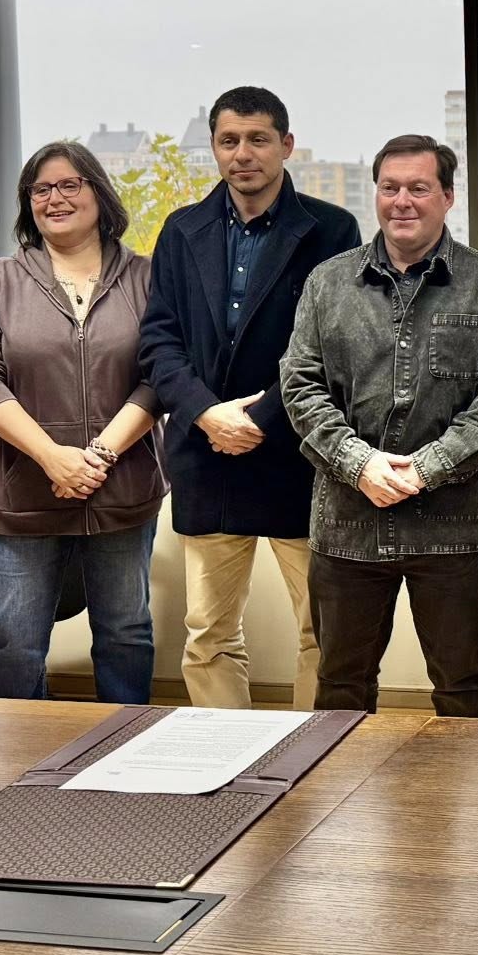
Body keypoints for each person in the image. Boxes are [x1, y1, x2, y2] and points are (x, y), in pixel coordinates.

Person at [279, 134, 478, 717]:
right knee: (340, 687)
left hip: (453, 527)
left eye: (418, 188)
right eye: (390, 188)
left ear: (447, 197)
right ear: (376, 195)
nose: (402, 201)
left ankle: (458, 811)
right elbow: (300, 383)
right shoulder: (328, 283)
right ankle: (335, 808)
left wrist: (427, 468)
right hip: (348, 526)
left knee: (463, 689)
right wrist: (358, 463)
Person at [140, 86, 361, 710]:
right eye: (229, 141)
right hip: (205, 454)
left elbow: (330, 346)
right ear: (214, 148)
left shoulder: (331, 230)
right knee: (208, 632)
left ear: (286, 146)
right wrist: (208, 413)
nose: (244, 154)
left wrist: (259, 416)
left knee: (323, 629)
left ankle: (314, 759)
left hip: (297, 454)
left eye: (259, 139)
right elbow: (159, 340)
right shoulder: (183, 231)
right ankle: (225, 761)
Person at [0, 142, 166, 703]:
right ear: (28, 204)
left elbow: (162, 373)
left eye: (71, 184)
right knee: (16, 641)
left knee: (125, 632)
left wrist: (98, 458)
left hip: (122, 487)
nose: (56, 198)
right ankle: (20, 761)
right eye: (41, 189)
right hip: (26, 491)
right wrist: (52, 456)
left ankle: (123, 754)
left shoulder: (148, 277)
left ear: (98, 192)